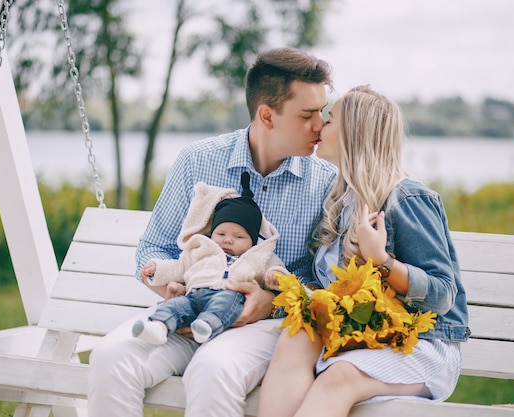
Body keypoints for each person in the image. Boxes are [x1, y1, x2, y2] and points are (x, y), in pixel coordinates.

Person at [87, 47, 337, 417]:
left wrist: (271, 301)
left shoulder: (327, 183)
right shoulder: (198, 160)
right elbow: (153, 246)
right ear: (267, 115)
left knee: (213, 369)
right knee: (111, 357)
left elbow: (327, 282)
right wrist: (173, 288)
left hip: (267, 326)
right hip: (187, 312)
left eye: (322, 112)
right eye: (307, 115)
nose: (321, 125)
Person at [257, 85, 470, 417]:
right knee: (296, 337)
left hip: (420, 345)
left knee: (339, 375)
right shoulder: (339, 200)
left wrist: (382, 261)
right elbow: (324, 285)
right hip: (360, 334)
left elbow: (443, 295)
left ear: (353, 134)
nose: (318, 127)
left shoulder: (408, 199)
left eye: (329, 120)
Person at [132, 172, 288, 345]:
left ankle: (206, 325)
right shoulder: (201, 250)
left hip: (229, 294)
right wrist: (157, 269)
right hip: (193, 295)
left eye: (238, 237)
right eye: (221, 233)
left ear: (253, 241)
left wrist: (276, 276)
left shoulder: (258, 258)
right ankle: (158, 327)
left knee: (225, 303)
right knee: (175, 306)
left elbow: (276, 270)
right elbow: (179, 267)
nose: (228, 240)